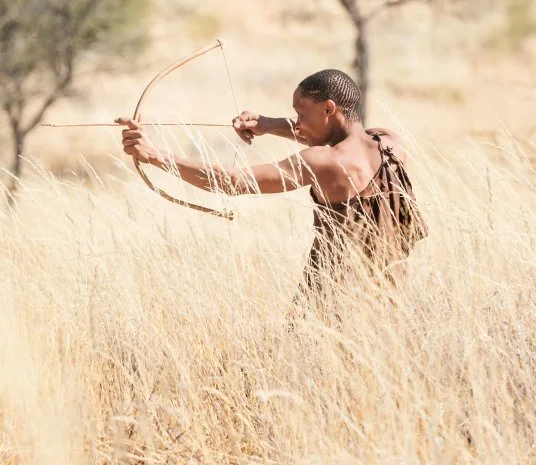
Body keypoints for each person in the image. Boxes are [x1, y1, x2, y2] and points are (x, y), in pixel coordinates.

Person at [116, 68, 428, 302]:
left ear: (329, 109)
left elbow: (233, 182)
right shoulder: (389, 141)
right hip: (389, 301)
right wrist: (268, 125)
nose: (297, 123)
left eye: (300, 113)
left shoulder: (322, 161)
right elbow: (337, 135)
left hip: (334, 303)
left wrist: (154, 155)